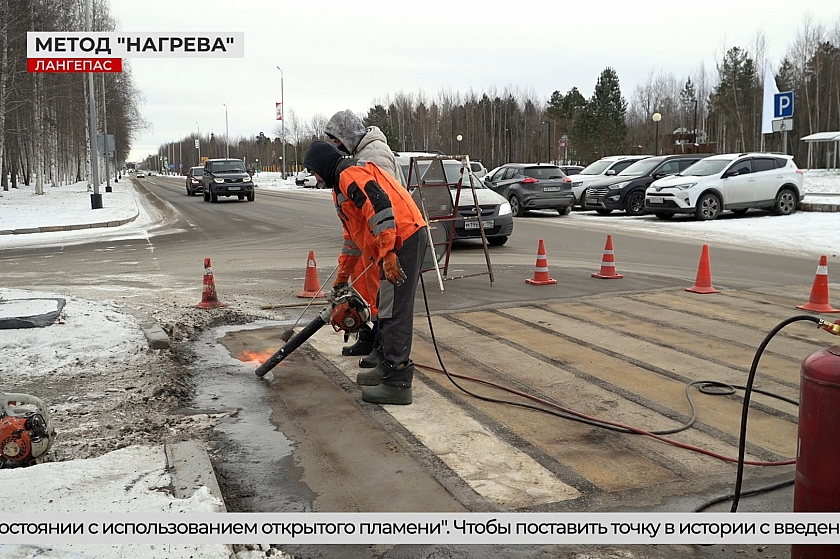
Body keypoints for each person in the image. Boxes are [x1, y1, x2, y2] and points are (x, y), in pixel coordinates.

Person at [303, 140, 427, 405]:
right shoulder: (339, 189)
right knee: (384, 306)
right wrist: (341, 280)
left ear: (322, 166)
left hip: (401, 238)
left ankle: (397, 383)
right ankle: (384, 365)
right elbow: (352, 240)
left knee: (395, 311)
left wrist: (389, 251)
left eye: (313, 171)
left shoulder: (348, 174)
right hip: (393, 241)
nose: (314, 177)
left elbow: (379, 203)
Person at [323, 110, 406, 364]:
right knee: (365, 290)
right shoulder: (359, 154)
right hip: (370, 236)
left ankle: (382, 347)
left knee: (381, 294)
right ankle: (369, 336)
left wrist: (386, 246)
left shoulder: (374, 154)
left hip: (383, 235)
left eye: (337, 139)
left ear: (346, 135)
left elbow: (382, 201)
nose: (336, 145)